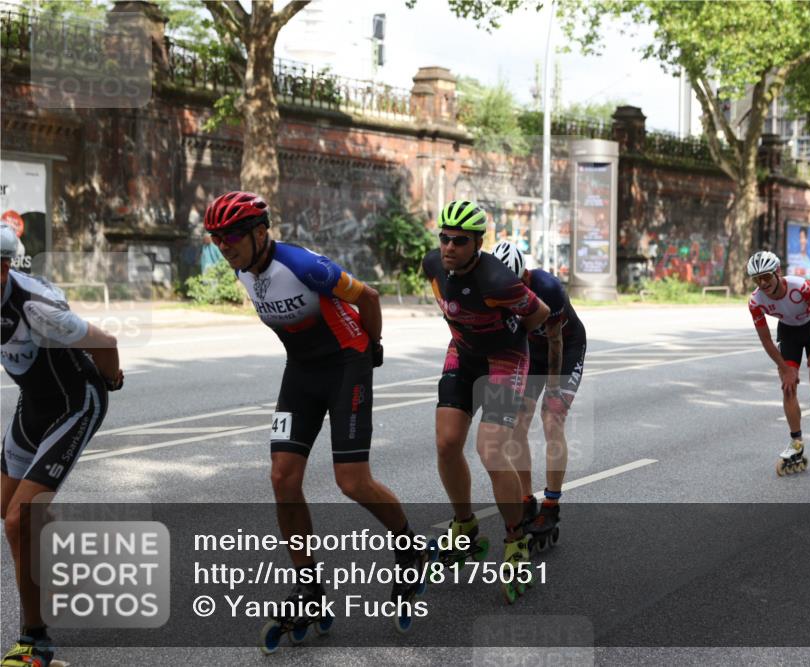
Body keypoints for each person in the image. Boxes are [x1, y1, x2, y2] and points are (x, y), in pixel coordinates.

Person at [202, 192, 428, 629]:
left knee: (351, 481)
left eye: (230, 235)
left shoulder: (303, 266)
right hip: (302, 373)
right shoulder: (244, 272)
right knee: (282, 478)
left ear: (260, 232)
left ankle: (408, 546)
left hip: (347, 365)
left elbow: (370, 297)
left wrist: (373, 348)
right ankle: (309, 588)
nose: (223, 244)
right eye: (215, 237)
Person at [1, 223, 124, 667]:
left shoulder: (36, 309)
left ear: (2, 269)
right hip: (34, 403)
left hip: (77, 401)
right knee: (8, 509)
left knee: (21, 521)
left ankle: (37, 642)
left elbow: (105, 342)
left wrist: (112, 380)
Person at [422, 200, 550, 602]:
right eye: (444, 238)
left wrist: (508, 334)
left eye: (460, 241)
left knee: (491, 449)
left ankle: (515, 538)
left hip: (504, 357)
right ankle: (465, 526)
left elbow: (539, 313)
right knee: (446, 442)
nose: (449, 247)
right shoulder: (431, 265)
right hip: (463, 353)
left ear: (477, 243)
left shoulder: (497, 280)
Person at [491, 241, 586, 550]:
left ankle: (552, 504)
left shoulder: (548, 287)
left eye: (517, 286)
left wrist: (555, 388)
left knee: (551, 420)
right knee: (518, 422)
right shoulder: (495, 288)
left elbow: (556, 342)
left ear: (526, 276)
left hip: (565, 347)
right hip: (531, 351)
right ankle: (526, 498)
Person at [746, 250, 810, 476]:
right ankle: (796, 442)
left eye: (766, 276)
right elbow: (766, 340)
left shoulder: (801, 287)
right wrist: (784, 368)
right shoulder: (755, 301)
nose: (762, 283)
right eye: (757, 279)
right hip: (788, 333)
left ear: (777, 272)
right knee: (788, 388)